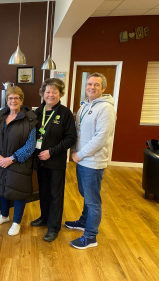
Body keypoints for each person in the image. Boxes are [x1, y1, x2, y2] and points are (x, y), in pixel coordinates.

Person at [66, 72, 116, 249]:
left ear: (103, 88)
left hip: (93, 162)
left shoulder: (106, 108)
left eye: (96, 84)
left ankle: (90, 236)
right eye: (89, 84)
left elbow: (101, 137)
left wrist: (80, 154)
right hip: (82, 159)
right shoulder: (85, 106)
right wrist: (74, 150)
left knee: (93, 200)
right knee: (85, 194)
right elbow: (79, 131)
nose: (92, 87)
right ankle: (83, 221)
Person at [30, 78, 77, 242]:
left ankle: (54, 226)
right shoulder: (37, 112)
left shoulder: (65, 113)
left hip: (55, 161)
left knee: (55, 194)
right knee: (43, 191)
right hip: (40, 161)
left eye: (54, 92)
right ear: (42, 94)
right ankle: (44, 217)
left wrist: (51, 152)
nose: (51, 95)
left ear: (60, 94)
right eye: (48, 92)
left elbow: (71, 138)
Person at [0, 86, 37, 236]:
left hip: (19, 162)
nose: (13, 100)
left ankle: (16, 222)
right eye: (10, 98)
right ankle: (4, 216)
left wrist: (12, 159)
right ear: (6, 100)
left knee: (19, 191)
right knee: (3, 189)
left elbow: (30, 145)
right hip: (0, 161)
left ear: (22, 100)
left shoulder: (30, 120)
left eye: (16, 98)